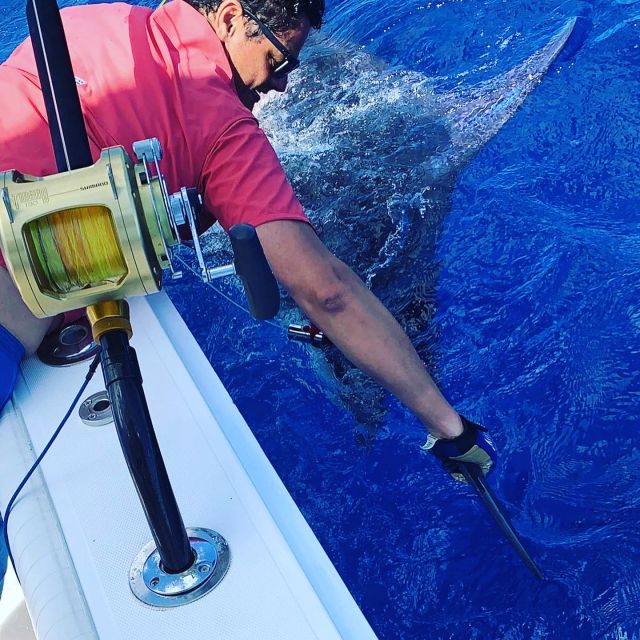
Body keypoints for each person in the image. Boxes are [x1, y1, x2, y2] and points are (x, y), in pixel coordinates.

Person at [0, 0, 495, 593]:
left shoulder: (90, 20)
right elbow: (327, 292)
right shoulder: (223, 128)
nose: (284, 83)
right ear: (231, 16)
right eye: (278, 60)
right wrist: (449, 427)